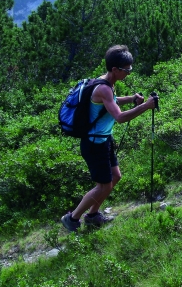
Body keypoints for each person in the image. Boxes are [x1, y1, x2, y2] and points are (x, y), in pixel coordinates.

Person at [61, 45, 158, 231]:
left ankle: (92, 215)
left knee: (115, 177)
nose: (129, 73)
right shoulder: (104, 88)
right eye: (126, 69)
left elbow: (111, 101)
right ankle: (72, 218)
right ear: (115, 69)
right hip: (94, 144)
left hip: (103, 140)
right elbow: (120, 117)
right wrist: (146, 106)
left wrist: (131, 99)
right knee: (103, 186)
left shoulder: (105, 83)